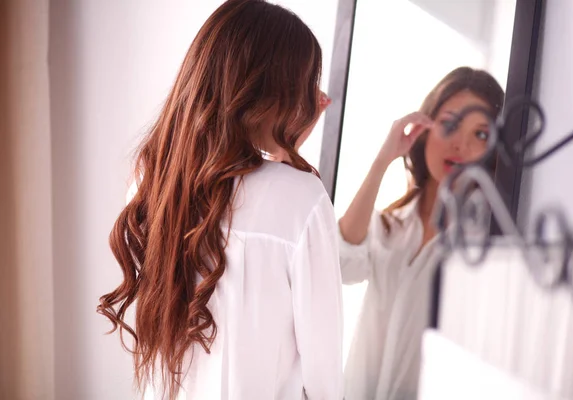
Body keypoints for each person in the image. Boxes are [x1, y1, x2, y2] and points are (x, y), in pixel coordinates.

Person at [97, 1, 343, 399]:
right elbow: (324, 377)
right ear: (267, 95)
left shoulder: (153, 181)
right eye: (297, 90)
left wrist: (283, 149)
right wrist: (289, 153)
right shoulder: (302, 199)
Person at [338, 67, 505, 400]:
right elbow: (343, 263)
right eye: (449, 124)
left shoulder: (486, 242)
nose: (461, 144)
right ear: (425, 128)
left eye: (480, 135)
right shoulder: (392, 224)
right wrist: (383, 160)